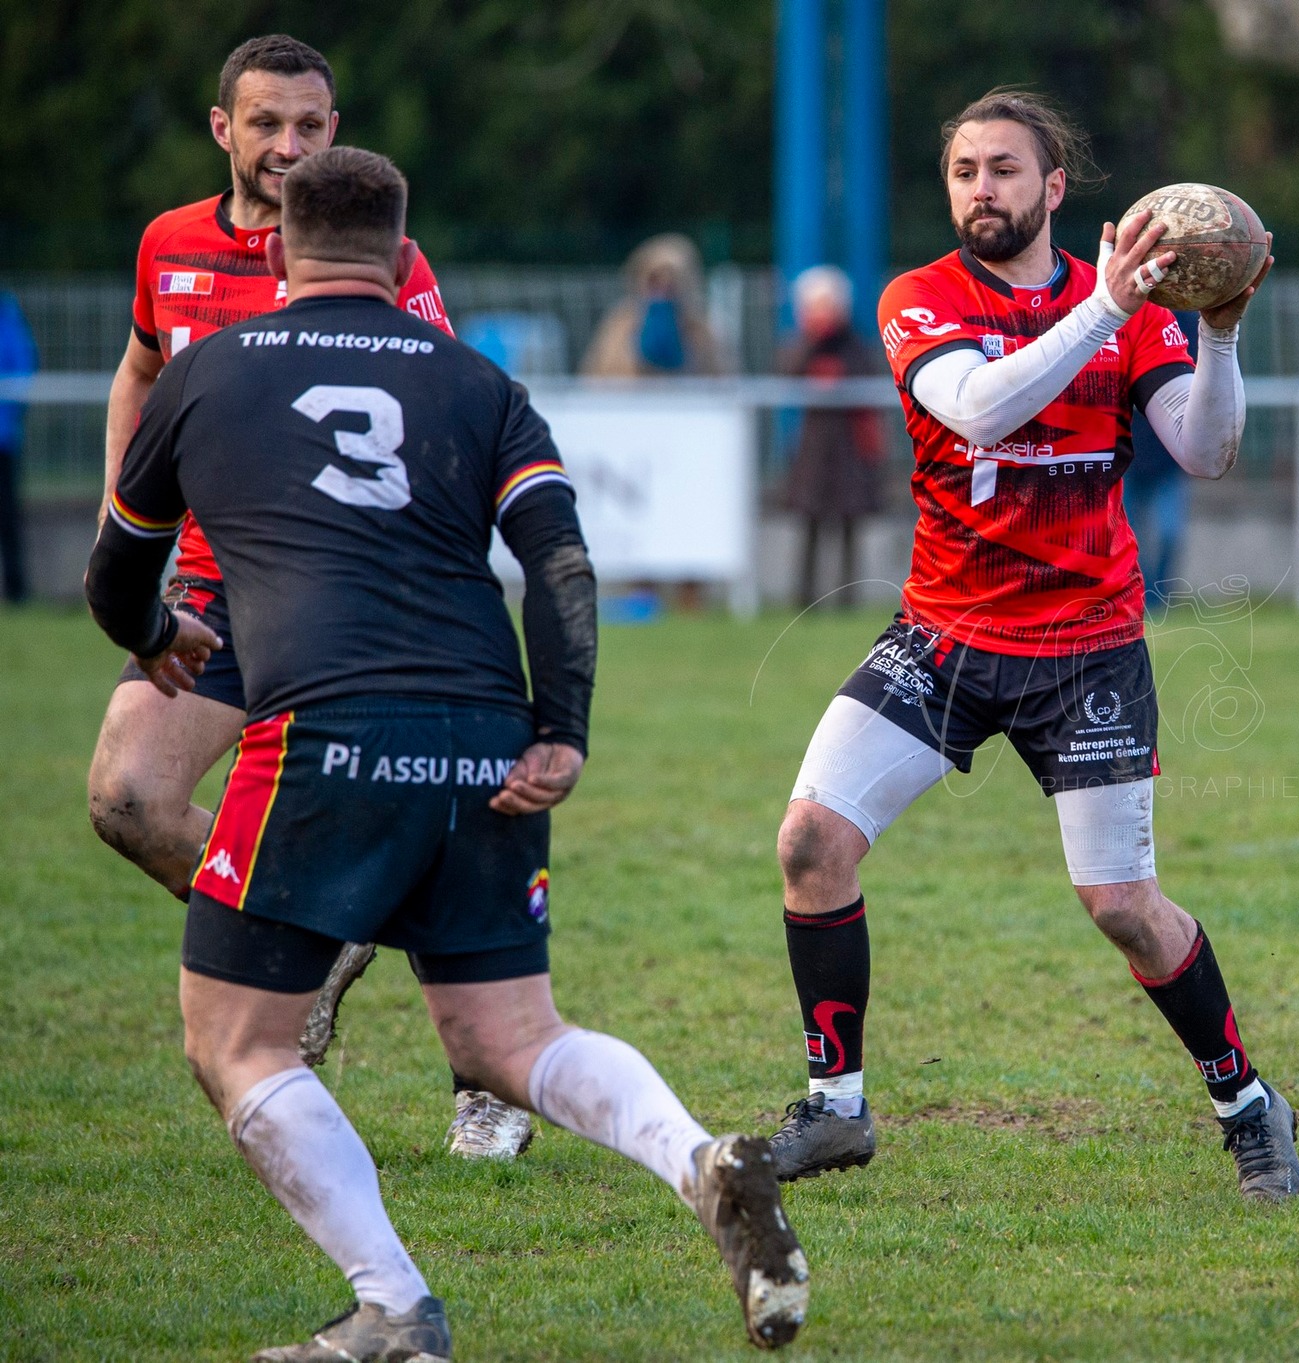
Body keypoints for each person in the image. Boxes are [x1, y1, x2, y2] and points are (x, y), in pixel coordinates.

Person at [85, 146, 808, 1358]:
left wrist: (158, 635)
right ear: (401, 253)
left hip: (322, 723)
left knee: (237, 1040)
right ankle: (702, 1159)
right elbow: (562, 568)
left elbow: (115, 575)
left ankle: (395, 1305)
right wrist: (561, 731)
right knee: (510, 1039)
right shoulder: (480, 381)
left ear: (274, 251)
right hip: (484, 729)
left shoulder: (205, 371)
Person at [764, 88, 1299, 1203]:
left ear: (1053, 189)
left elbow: (1205, 453)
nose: (980, 190)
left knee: (1122, 906)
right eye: (963, 170)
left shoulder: (1132, 310)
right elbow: (977, 410)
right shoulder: (919, 298)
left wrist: (1215, 331)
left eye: (1004, 169)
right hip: (942, 637)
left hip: (1087, 647)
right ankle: (834, 1108)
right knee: (811, 841)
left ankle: (1247, 1105)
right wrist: (1107, 306)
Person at [80, 33, 531, 1161]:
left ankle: (490, 1078)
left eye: (311, 125)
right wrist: (121, 509)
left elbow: (438, 412)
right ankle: (323, 943)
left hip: (358, 601)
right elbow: (141, 367)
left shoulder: (389, 258)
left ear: (336, 131)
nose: (288, 145)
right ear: (222, 128)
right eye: (266, 122)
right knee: (128, 796)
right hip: (215, 598)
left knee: (429, 818)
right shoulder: (167, 245)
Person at [779, 264, 885, 608]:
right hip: (812, 449)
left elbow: (862, 373)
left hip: (849, 449)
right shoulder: (802, 343)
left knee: (848, 526)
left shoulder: (854, 343)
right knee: (809, 524)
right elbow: (788, 370)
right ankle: (803, 598)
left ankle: (846, 598)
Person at [1123, 308, 1198, 610]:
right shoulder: (1124, 313)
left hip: (1168, 458)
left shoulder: (1187, 322)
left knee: (1170, 531)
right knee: (1130, 537)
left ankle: (1157, 597)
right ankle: (1141, 597)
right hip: (1126, 456)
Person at [580, 233, 727, 377]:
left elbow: (722, 381)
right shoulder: (619, 327)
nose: (663, 289)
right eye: (655, 280)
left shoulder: (703, 331)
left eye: (671, 283)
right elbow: (597, 379)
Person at [0, 288, 34, 604]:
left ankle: (16, 591)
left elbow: (23, 372)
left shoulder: (9, 319)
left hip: (3, 439)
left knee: (8, 518)